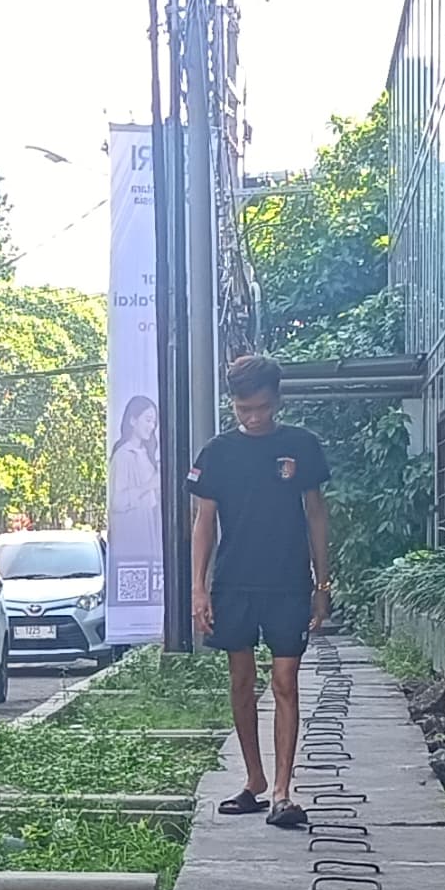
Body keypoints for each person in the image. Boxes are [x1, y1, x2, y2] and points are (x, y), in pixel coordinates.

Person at [186, 352, 337, 828]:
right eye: (244, 409)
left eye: (263, 408)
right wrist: (199, 588)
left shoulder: (302, 447)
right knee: (241, 681)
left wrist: (322, 582)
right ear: (233, 403)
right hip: (234, 581)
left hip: (289, 581)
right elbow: (204, 523)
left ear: (277, 401)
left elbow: (316, 515)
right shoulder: (217, 453)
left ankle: (282, 790)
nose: (254, 418)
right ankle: (253, 780)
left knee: (286, 682)